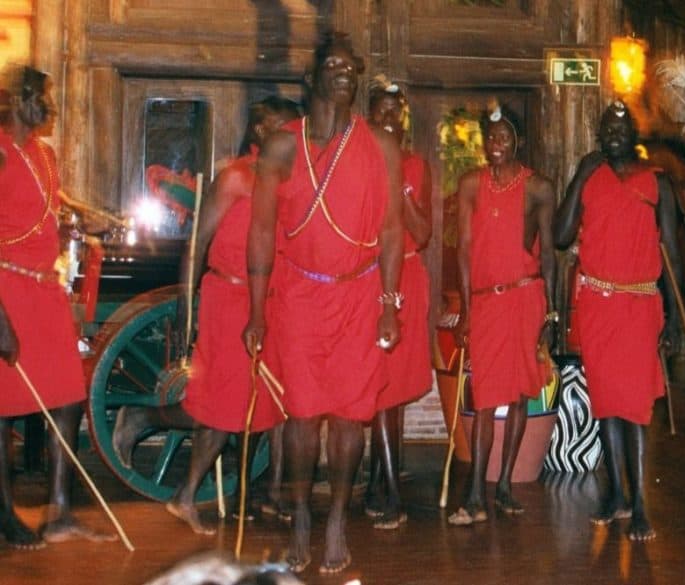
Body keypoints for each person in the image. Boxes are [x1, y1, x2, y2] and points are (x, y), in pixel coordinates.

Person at [243, 31, 404, 575]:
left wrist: (388, 302)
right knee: (303, 416)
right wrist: (258, 310)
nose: (345, 73)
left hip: (360, 297)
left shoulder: (380, 145)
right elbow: (262, 233)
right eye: (333, 65)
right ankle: (301, 513)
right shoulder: (282, 146)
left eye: (351, 67)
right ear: (311, 78)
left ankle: (336, 515)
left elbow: (392, 231)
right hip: (297, 296)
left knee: (350, 417)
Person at [111, 96, 301, 534]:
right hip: (227, 299)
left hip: (268, 302)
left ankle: (202, 497)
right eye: (284, 128)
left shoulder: (287, 183)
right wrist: (186, 301)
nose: (293, 137)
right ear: (260, 132)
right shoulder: (236, 177)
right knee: (218, 404)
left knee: (253, 405)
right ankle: (145, 419)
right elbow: (198, 241)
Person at [553, 100, 682, 542]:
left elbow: (675, 255)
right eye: (606, 129)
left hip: (640, 305)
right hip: (597, 306)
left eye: (620, 129)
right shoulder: (591, 176)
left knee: (636, 406)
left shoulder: (657, 183)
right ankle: (615, 495)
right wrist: (580, 174)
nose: (613, 136)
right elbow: (559, 234)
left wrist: (681, 318)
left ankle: (642, 501)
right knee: (606, 402)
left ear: (634, 136)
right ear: (598, 135)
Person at [0, 65, 114, 547]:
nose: (47, 105)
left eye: (46, 96)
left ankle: (60, 510)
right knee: (2, 411)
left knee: (67, 399)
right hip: (5, 292)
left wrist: (77, 229)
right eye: (38, 96)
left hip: (45, 292)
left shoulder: (45, 155)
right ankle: (3, 513)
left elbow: (43, 215)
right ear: (13, 100)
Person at [448, 102, 556, 526]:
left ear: (518, 142)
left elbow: (549, 253)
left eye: (504, 137)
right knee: (486, 394)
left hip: (525, 299)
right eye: (490, 137)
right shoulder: (471, 183)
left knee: (517, 396)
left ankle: (505, 485)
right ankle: (476, 490)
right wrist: (466, 311)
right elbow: (463, 252)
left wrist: (551, 313)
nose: (496, 144)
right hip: (486, 303)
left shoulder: (539, 188)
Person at [363, 75, 432, 530]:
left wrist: (398, 187)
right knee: (378, 389)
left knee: (395, 392)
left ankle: (388, 489)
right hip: (367, 283)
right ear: (367, 118)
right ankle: (377, 482)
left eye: (396, 112)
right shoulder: (355, 163)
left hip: (407, 276)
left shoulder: (413, 165)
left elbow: (423, 233)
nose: (389, 120)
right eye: (380, 112)